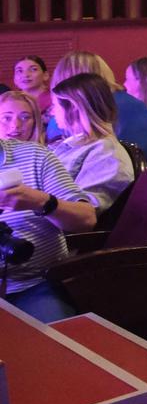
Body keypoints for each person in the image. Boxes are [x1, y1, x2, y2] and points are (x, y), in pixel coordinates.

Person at [0, 113, 97, 322]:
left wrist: (41, 202)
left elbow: (87, 220)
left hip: (35, 284)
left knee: (52, 347)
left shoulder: (34, 156)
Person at [47, 73, 136, 212]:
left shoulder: (106, 154)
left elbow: (85, 214)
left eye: (55, 105)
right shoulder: (75, 145)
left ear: (74, 107)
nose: (52, 112)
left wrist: (38, 201)